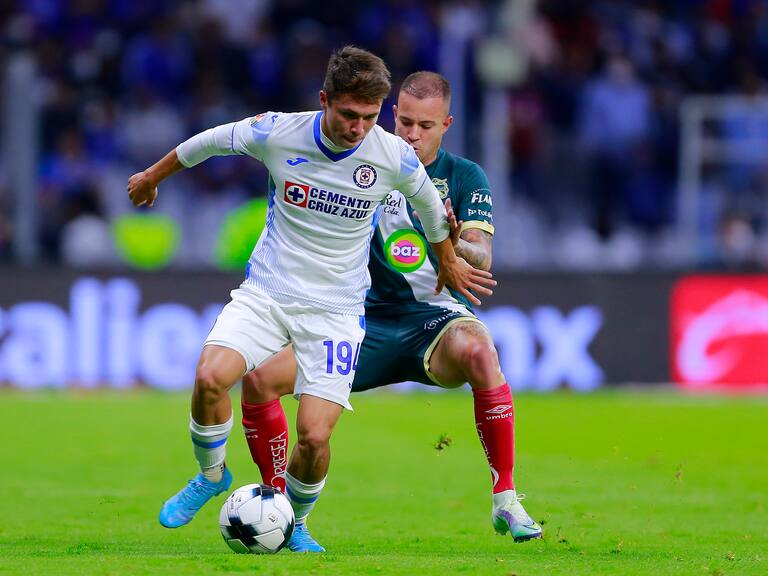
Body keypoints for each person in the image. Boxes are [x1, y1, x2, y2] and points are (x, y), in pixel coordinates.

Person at [126, 49, 495, 552]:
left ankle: (295, 524)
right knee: (212, 376)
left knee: (314, 437)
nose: (358, 128)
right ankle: (211, 475)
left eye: (369, 117)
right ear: (324, 100)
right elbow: (209, 142)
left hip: (339, 311)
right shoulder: (279, 132)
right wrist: (152, 176)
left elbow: (432, 211)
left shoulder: (392, 155)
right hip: (268, 292)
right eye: (348, 115)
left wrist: (448, 260)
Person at [241, 71, 542, 545]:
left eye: (425, 125)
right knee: (259, 381)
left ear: (446, 124)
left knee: (482, 353)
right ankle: (279, 509)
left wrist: (459, 239)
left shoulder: (463, 176)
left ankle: (506, 499)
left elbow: (482, 252)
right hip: (356, 322)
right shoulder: (360, 159)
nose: (412, 135)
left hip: (435, 321)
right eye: (404, 122)